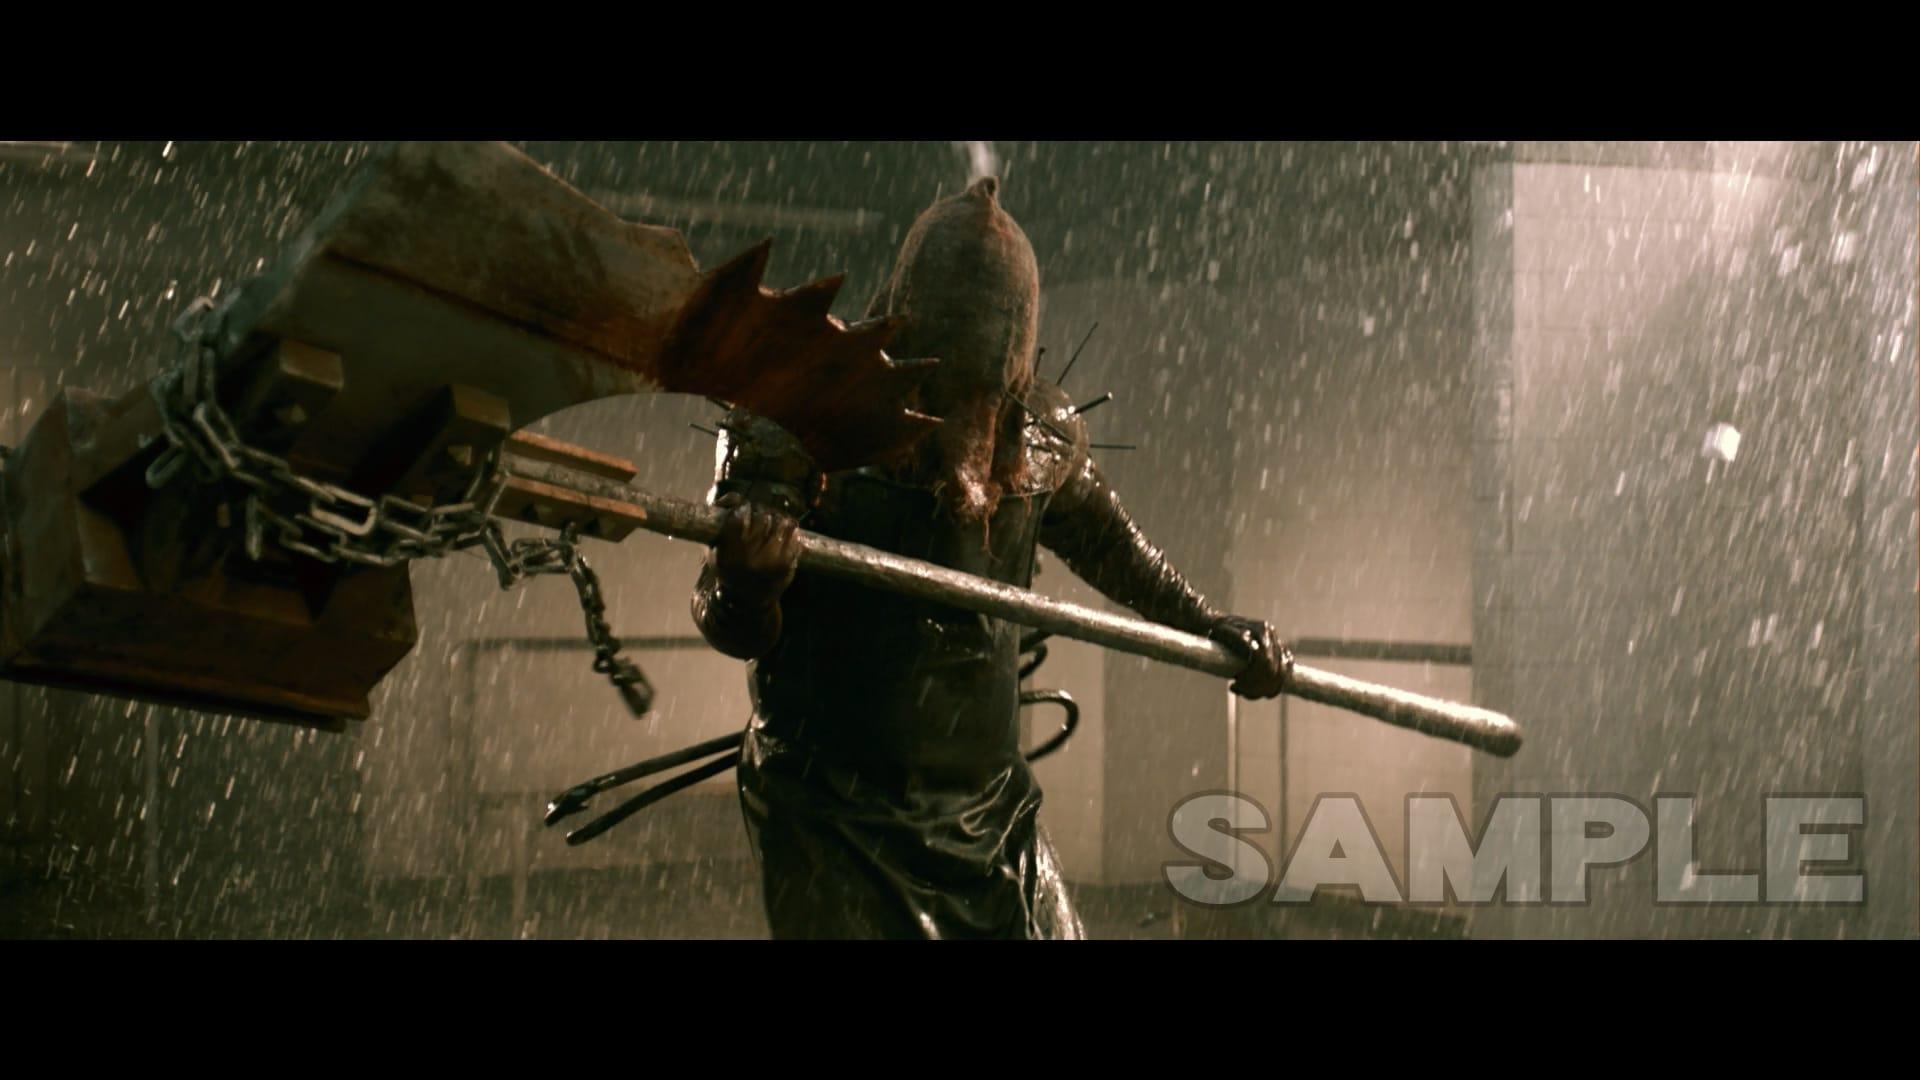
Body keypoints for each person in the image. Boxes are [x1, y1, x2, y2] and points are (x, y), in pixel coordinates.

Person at [690, 176, 1292, 939]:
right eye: (945, 381)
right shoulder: (797, 416)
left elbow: (1113, 549)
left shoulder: (1034, 432)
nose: (966, 415)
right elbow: (725, 619)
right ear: (906, 334)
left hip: (986, 807)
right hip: (831, 806)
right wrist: (746, 586)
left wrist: (1209, 625)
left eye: (986, 389)